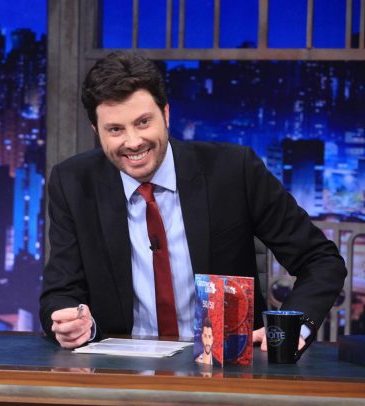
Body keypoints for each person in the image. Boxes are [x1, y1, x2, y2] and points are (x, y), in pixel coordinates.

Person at [40, 51, 347, 349]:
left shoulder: (233, 171)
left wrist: (288, 329)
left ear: (166, 114)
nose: (133, 142)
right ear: (96, 130)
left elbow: (320, 260)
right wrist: (71, 324)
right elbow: (59, 294)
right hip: (120, 369)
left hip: (228, 366)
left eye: (143, 122)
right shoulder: (73, 183)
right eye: (115, 129)